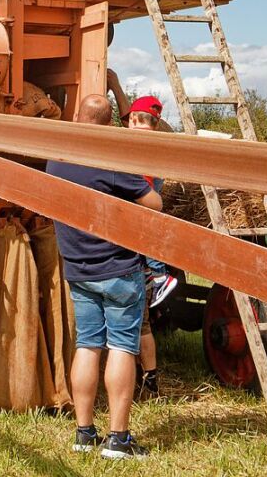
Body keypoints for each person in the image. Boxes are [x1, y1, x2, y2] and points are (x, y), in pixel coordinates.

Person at [46, 94, 160, 460]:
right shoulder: (111, 162)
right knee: (123, 348)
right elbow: (154, 205)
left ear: (77, 118)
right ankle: (119, 439)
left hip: (78, 268)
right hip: (119, 270)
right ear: (110, 125)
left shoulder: (57, 160)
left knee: (87, 345)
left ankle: (83, 432)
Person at [105, 70, 178, 308]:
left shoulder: (135, 139)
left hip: (143, 191)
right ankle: (152, 271)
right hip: (153, 186)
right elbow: (131, 116)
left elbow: (128, 117)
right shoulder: (159, 137)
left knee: (143, 229)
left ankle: (159, 275)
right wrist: (115, 86)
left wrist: (114, 86)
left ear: (135, 120)